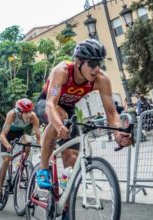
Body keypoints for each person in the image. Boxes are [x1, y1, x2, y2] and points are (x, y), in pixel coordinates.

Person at [34, 39, 132, 218]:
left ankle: (64, 209)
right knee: (60, 116)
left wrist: (119, 133)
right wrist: (58, 125)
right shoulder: (62, 71)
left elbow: (111, 114)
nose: (96, 69)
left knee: (72, 161)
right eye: (92, 64)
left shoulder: (101, 80)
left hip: (68, 111)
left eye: (99, 63)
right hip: (46, 104)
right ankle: (42, 169)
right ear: (78, 61)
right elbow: (50, 103)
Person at [0, 98, 41, 203]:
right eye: (26, 112)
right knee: (6, 160)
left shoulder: (33, 117)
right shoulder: (12, 114)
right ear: (19, 112)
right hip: (7, 136)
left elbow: (38, 137)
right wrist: (7, 145)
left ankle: (22, 166)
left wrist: (42, 147)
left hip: (20, 133)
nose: (29, 115)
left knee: (28, 141)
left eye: (30, 111)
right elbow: (2, 135)